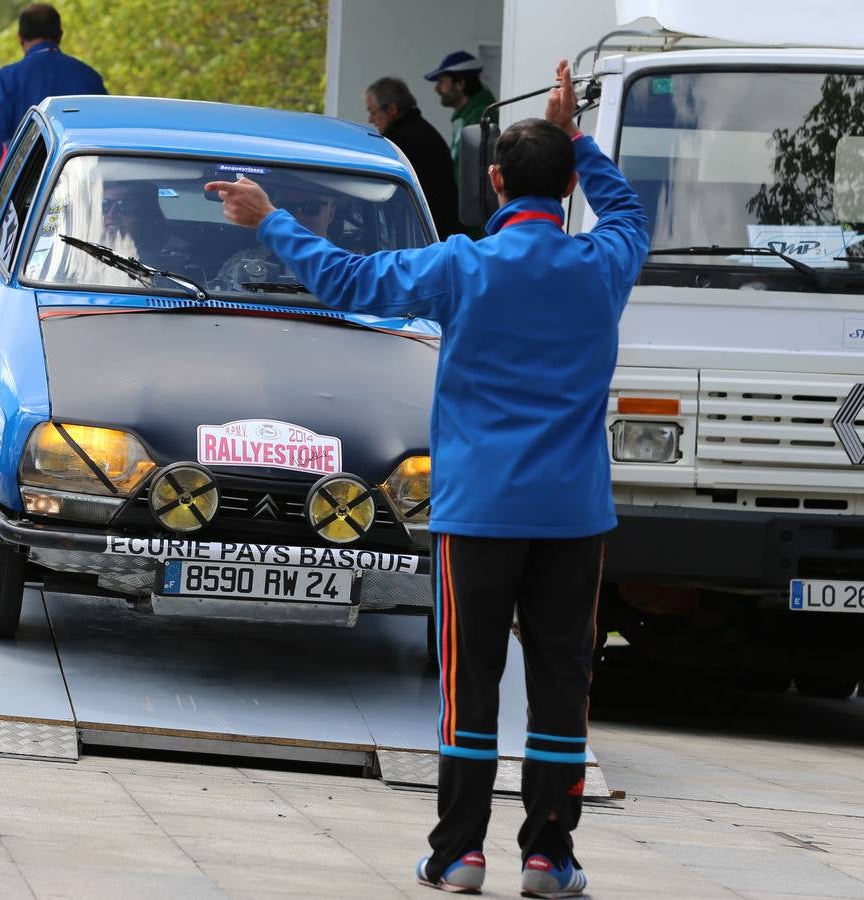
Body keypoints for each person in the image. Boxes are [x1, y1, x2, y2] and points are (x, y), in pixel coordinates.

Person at [206, 60, 648, 898]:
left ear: (491, 181)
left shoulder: (460, 268)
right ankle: (550, 858)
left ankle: (459, 854)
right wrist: (576, 135)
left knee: (468, 682)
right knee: (561, 686)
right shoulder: (603, 266)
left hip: (478, 511)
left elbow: (346, 280)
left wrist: (271, 221)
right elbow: (626, 209)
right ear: (562, 191)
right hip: (571, 517)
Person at [0, 3, 107, 205]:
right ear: (60, 35)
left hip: (26, 204)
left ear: (20, 38)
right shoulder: (89, 77)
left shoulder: (6, 80)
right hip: (82, 199)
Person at [366, 76, 462, 238]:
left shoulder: (400, 143)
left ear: (392, 109)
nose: (370, 119)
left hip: (427, 238)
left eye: (372, 112)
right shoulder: (422, 131)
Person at [216, 186, 338, 290]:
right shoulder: (242, 261)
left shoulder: (350, 270)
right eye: (286, 208)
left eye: (311, 207)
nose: (297, 217)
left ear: (331, 214)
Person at [424, 50, 498, 177]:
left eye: (441, 82)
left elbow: (475, 172)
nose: (436, 89)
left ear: (460, 84)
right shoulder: (467, 117)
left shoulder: (480, 116)